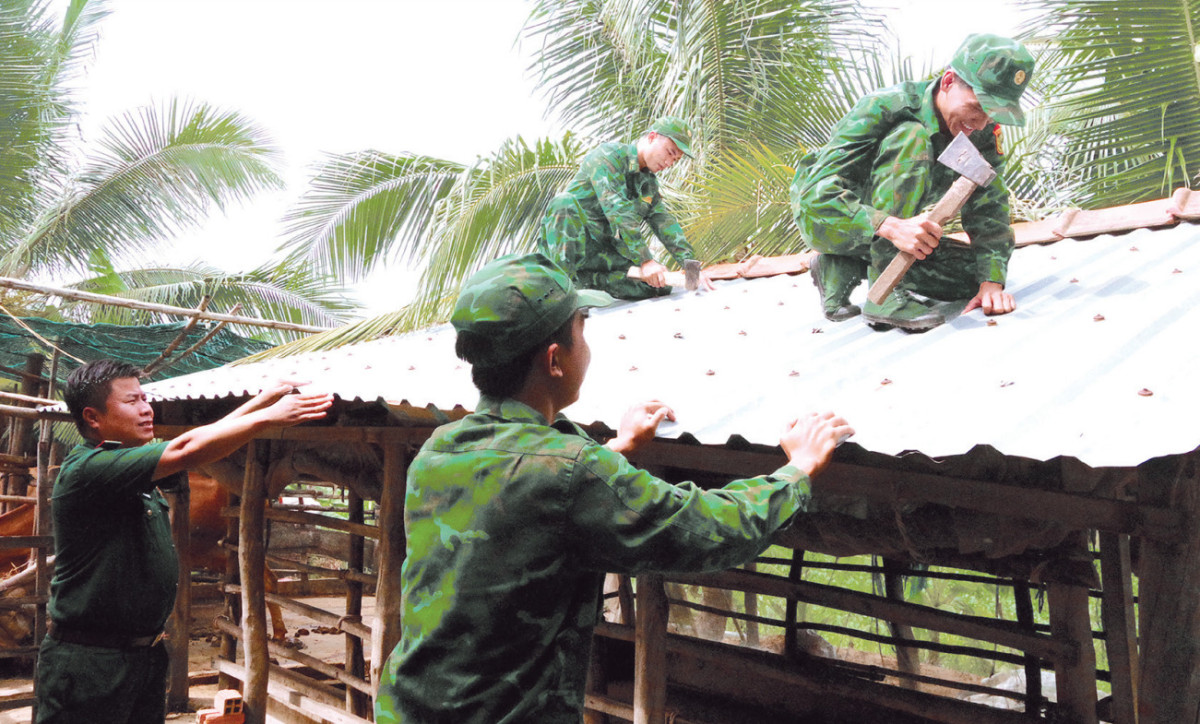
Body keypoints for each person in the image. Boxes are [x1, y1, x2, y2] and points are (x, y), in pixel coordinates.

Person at [374, 253, 853, 723]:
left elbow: (525, 497)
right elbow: (709, 531)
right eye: (582, 329)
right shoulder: (571, 472)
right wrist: (797, 471)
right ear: (554, 359)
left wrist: (615, 450)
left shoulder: (441, 449)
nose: (587, 345)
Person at [35, 359, 333, 724]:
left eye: (145, 398)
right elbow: (185, 449)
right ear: (93, 417)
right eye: (132, 401)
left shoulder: (128, 467)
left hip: (142, 656)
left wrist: (263, 399)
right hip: (90, 663)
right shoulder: (90, 468)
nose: (146, 408)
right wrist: (267, 418)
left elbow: (200, 438)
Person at [790, 34, 1036, 330]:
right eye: (979, 105)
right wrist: (891, 226)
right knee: (913, 137)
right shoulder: (885, 107)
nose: (981, 122)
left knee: (976, 274)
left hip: (891, 239)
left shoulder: (981, 133)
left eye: (994, 112)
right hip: (829, 218)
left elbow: (989, 209)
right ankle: (884, 296)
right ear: (948, 82)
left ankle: (844, 262)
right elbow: (814, 198)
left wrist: (991, 283)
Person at [538, 116, 713, 300]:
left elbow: (664, 222)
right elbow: (618, 210)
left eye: (675, 160)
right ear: (652, 137)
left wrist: (692, 269)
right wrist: (646, 260)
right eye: (670, 152)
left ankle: (586, 282)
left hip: (600, 253)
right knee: (563, 202)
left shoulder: (648, 184)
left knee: (658, 285)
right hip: (569, 248)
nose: (669, 162)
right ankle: (562, 288)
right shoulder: (607, 156)